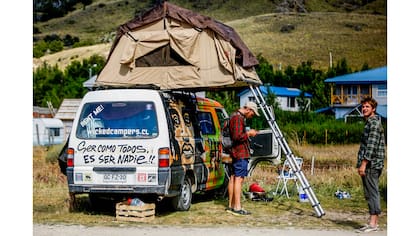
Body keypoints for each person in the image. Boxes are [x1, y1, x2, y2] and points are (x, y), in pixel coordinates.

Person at [356, 97, 386, 233]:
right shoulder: (370, 123)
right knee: (370, 193)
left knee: (372, 193)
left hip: (371, 165)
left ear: (373, 109)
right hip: (371, 164)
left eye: (367, 107)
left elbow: (371, 146)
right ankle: (373, 222)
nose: (364, 109)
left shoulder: (373, 124)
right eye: (363, 107)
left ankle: (373, 224)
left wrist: (363, 164)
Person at [226, 101, 259, 216]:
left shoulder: (233, 116)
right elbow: (237, 137)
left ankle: (231, 205)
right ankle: (237, 207)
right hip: (240, 153)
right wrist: (249, 133)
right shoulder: (238, 118)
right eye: (253, 114)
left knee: (233, 177)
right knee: (239, 179)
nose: (252, 116)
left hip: (235, 152)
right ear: (249, 109)